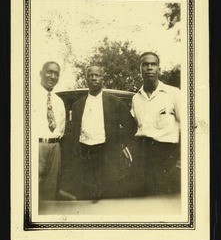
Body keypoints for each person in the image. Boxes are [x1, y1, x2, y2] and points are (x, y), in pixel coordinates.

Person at [71, 65, 136, 200]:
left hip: (107, 155)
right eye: (91, 75)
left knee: (107, 194)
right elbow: (73, 132)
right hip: (85, 155)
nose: (94, 78)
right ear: (86, 78)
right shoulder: (78, 104)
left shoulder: (114, 102)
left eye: (97, 75)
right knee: (85, 195)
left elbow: (130, 126)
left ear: (102, 78)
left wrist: (119, 144)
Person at [130, 52, 181, 196]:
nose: (149, 68)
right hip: (141, 154)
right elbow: (137, 125)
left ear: (159, 68)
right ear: (140, 69)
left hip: (165, 154)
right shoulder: (136, 98)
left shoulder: (173, 93)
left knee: (162, 197)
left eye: (153, 64)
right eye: (145, 65)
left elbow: (186, 126)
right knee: (141, 197)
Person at [34, 61, 66, 200]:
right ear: (41, 73)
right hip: (36, 146)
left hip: (55, 147)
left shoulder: (58, 101)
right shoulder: (29, 96)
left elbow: (61, 128)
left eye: (56, 73)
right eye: (49, 72)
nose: (52, 76)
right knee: (30, 187)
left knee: (51, 191)